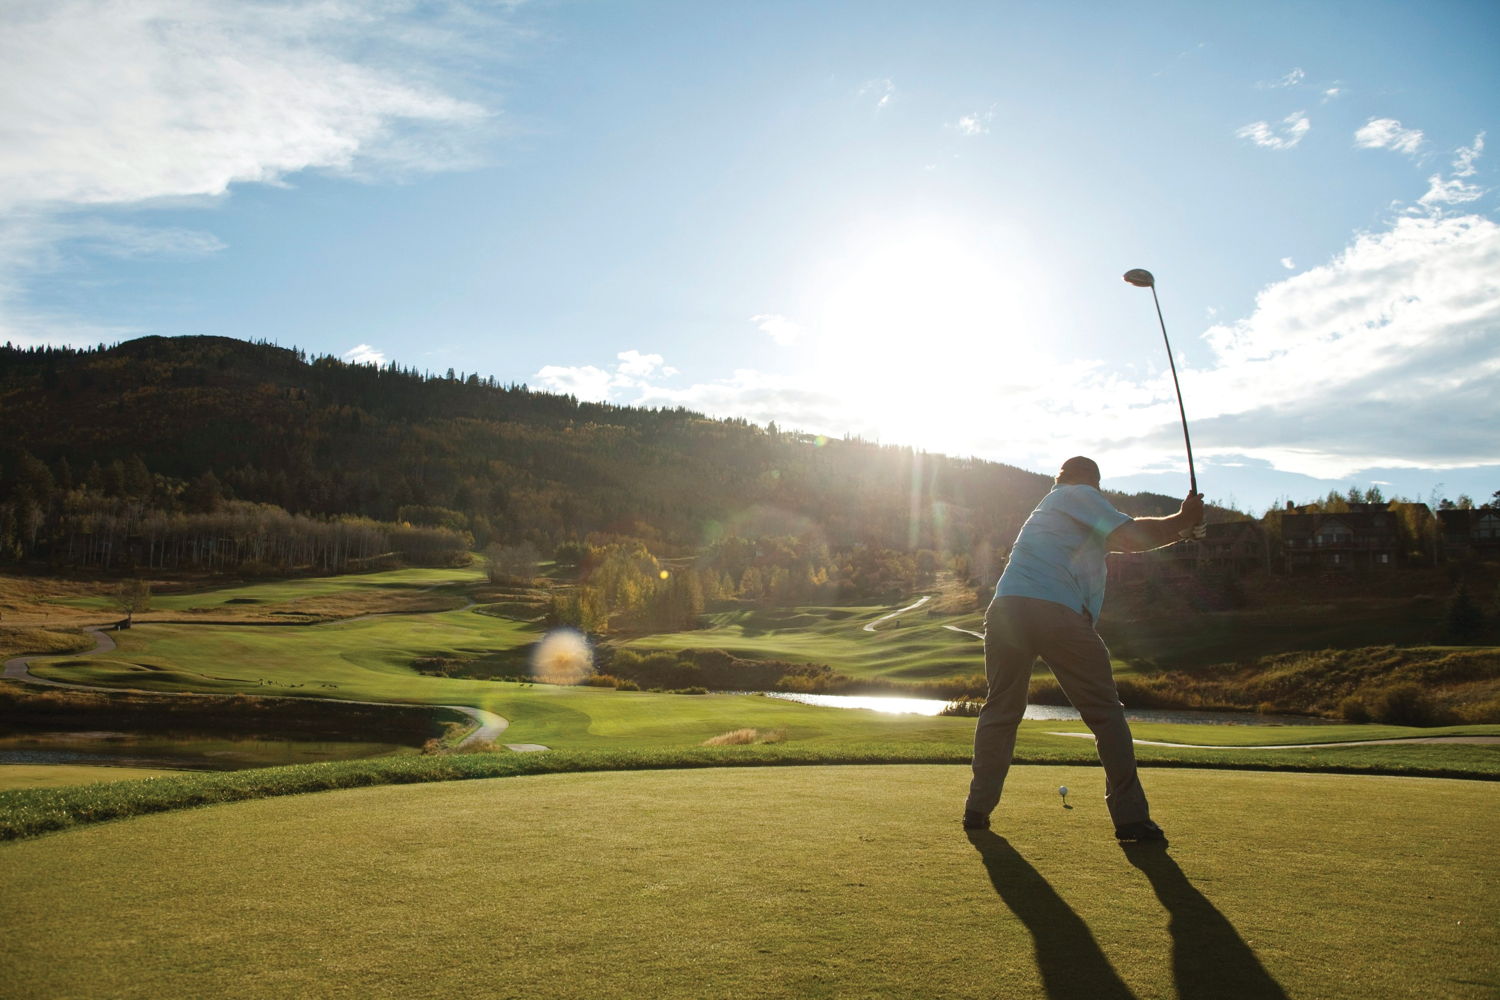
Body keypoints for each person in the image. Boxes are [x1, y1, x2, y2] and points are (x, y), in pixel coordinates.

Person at [962, 456, 1204, 843]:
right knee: (1105, 714)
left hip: (1006, 609)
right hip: (1055, 611)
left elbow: (1128, 542)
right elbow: (1129, 534)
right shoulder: (1077, 494)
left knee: (1002, 708)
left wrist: (1182, 528)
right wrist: (1182, 517)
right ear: (1090, 481)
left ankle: (977, 809)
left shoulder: (1054, 510)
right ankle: (1131, 820)